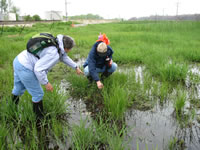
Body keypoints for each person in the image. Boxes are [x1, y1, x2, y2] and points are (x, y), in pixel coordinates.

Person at [11, 34, 83, 120]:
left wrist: (76, 67)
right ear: (66, 48)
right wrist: (46, 83)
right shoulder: (54, 53)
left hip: (18, 60)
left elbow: (64, 57)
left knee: (18, 88)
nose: (69, 51)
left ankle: (12, 108)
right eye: (70, 49)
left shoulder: (56, 43)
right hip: (25, 67)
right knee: (38, 94)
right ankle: (39, 118)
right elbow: (38, 70)